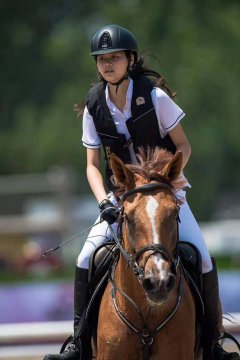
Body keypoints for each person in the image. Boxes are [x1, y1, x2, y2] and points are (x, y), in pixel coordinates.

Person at [44, 25, 239, 360]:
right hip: (120, 201)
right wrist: (105, 202)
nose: (107, 64)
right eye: (101, 59)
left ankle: (213, 343)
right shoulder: (93, 106)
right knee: (84, 258)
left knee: (202, 256)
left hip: (165, 194)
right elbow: (92, 166)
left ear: (129, 60)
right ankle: (77, 345)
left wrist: (166, 180)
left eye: (114, 58)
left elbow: (183, 146)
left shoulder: (154, 97)